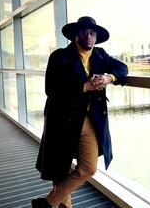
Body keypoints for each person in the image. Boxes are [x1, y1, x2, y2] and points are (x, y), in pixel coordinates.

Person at [32, 16, 128, 208]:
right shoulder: (59, 56)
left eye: (93, 33)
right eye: (84, 31)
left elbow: (122, 68)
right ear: (76, 33)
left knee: (88, 168)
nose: (89, 36)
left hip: (89, 120)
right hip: (62, 120)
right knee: (60, 172)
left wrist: (109, 78)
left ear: (96, 37)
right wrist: (84, 86)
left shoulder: (100, 55)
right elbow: (51, 89)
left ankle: (47, 203)